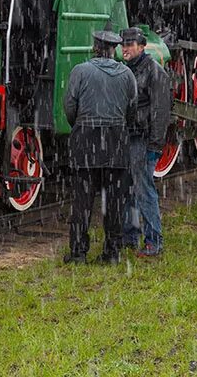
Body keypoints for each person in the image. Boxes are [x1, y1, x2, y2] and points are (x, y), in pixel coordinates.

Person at [63, 29, 137, 265]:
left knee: (81, 201)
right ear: (113, 49)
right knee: (114, 200)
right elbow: (131, 110)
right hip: (116, 140)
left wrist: (82, 126)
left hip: (86, 139)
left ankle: (78, 252)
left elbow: (69, 107)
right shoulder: (127, 74)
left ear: (94, 48)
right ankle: (112, 252)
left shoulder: (80, 71)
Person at [119, 26, 172, 257]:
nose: (125, 48)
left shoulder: (154, 72)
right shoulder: (125, 70)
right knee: (128, 188)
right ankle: (131, 235)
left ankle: (154, 241)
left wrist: (155, 145)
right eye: (124, 45)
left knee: (144, 190)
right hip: (129, 136)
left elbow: (161, 111)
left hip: (143, 138)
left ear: (142, 47)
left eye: (130, 45)